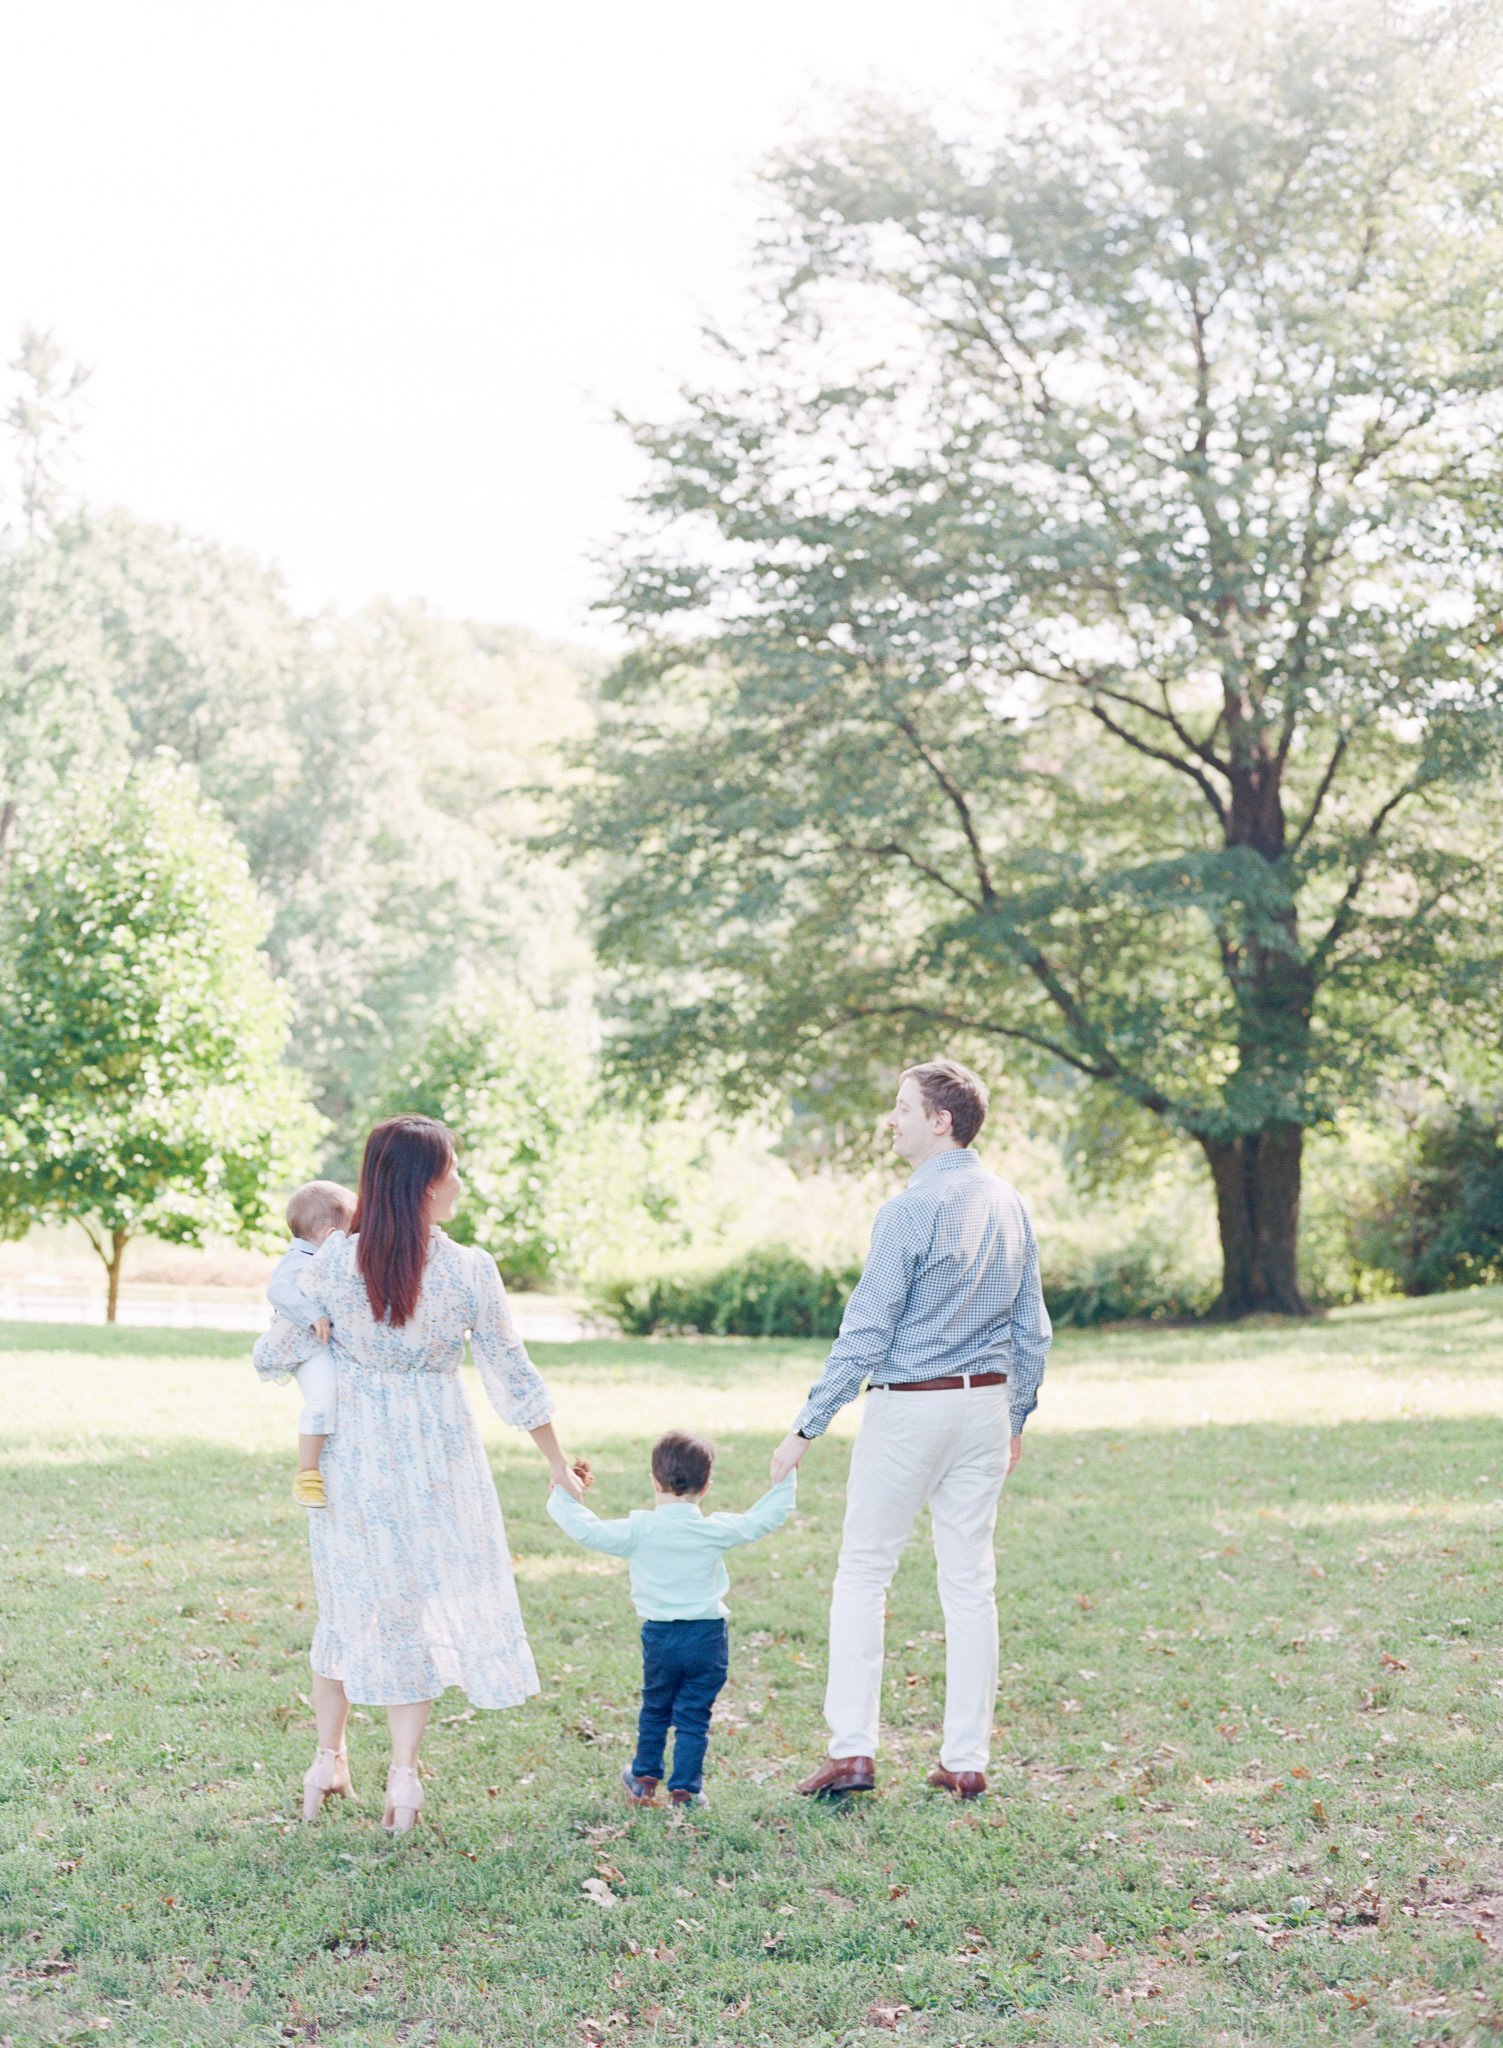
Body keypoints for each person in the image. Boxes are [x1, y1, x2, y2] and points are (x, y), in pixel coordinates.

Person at [251, 1115, 585, 1835]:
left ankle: (326, 1758)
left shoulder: (334, 1263)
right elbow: (511, 1374)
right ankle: (402, 1778)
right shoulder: (468, 1270)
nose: (460, 1180)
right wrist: (555, 1460)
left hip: (354, 1458)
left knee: (347, 1603)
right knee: (409, 1613)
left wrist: (320, 1336)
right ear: (426, 1184)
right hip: (438, 1457)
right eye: (453, 1168)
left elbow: (270, 1355)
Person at [768, 1059, 1051, 1804]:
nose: (889, 1120)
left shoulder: (906, 1211)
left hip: (910, 1407)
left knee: (863, 1571)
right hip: (984, 1408)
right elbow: (1034, 1331)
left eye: (901, 1108)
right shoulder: (1009, 1204)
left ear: (940, 1122)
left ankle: (852, 1752)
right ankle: (965, 1758)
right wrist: (1014, 1417)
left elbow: (864, 1332)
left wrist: (805, 1427)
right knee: (969, 1582)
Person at [547, 1431, 796, 1808]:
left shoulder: (639, 1529)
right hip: (707, 1637)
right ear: (707, 1486)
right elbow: (764, 1518)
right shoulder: (713, 1530)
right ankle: (685, 1790)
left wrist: (562, 1493)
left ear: (653, 1480)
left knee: (656, 1707)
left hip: (660, 1637)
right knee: (694, 1715)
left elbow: (588, 1530)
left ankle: (644, 1779)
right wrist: (787, 1474)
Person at [263, 1179, 356, 1508]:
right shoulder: (298, 1261)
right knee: (322, 1400)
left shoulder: (321, 1258)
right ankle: (307, 1474)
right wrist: (312, 1314)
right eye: (352, 1232)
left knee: (334, 1399)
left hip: (322, 1345)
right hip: (306, 1347)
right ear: (332, 1237)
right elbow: (278, 1291)